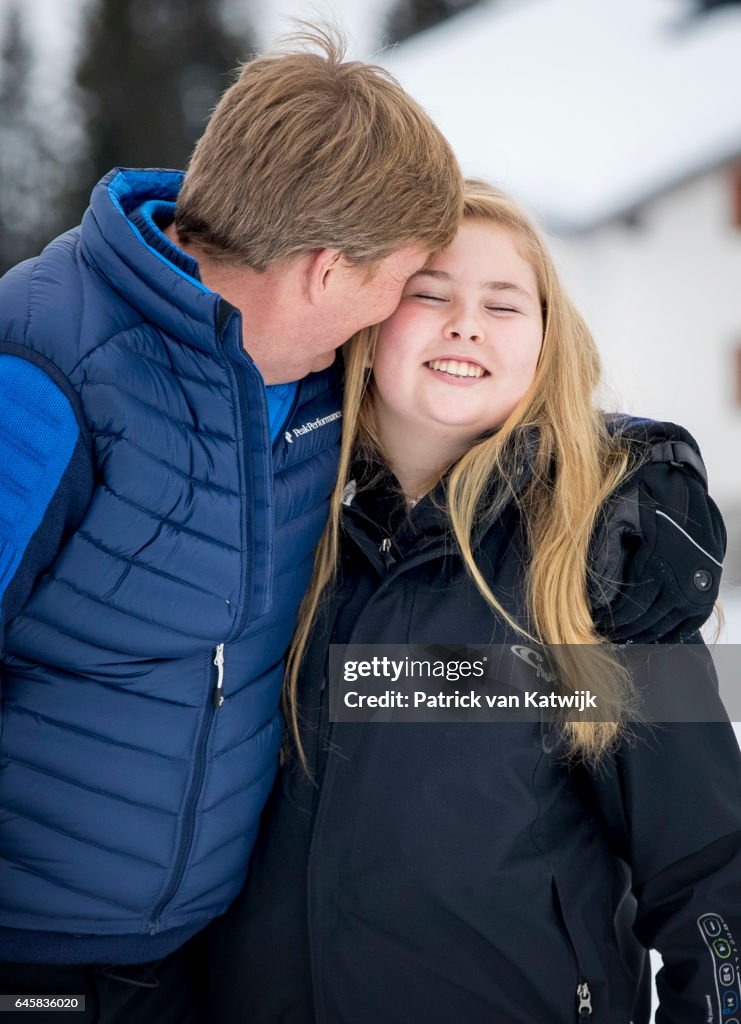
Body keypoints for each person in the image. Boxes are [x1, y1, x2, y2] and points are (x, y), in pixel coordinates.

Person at [0, 26, 463, 1022]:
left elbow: (489, 403)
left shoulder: (322, 385)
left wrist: (633, 493)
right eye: (405, 281)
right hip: (30, 968)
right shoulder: (43, 375)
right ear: (329, 271)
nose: (401, 317)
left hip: (197, 962)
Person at [207, 180, 741, 1023]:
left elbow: (712, 867)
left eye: (503, 304)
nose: (465, 323)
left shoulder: (606, 559)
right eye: (430, 294)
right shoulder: (274, 536)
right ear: (370, 322)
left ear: (542, 343)